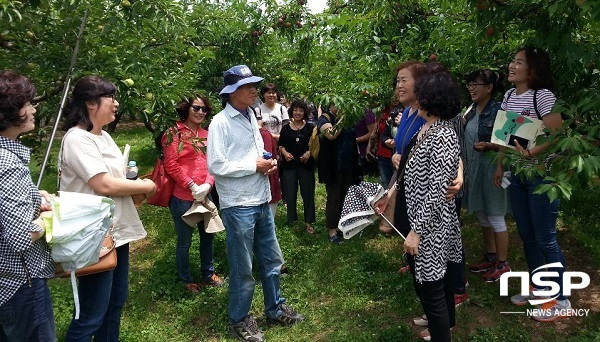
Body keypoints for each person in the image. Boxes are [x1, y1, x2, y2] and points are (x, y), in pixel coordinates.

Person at [207, 65, 304, 342]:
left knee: (272, 259)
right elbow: (216, 164)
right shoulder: (220, 123)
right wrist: (253, 165)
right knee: (243, 266)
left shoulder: (250, 115)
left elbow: (249, 152)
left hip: (261, 199)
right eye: (247, 86)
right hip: (238, 205)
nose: (254, 90)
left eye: (254, 85)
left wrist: (266, 160)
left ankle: (274, 307)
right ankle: (239, 318)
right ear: (231, 92)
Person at [60, 75, 156, 341]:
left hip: (116, 233)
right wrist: (146, 187)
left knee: (114, 304)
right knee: (92, 313)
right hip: (94, 237)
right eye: (110, 97)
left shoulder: (102, 136)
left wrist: (133, 189)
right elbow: (103, 184)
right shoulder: (77, 139)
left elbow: (118, 179)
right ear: (91, 103)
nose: (116, 104)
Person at [495, 47, 568, 321]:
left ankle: (561, 299)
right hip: (517, 176)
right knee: (527, 236)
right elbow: (504, 134)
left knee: (546, 238)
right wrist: (500, 165)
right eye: (512, 60)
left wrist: (531, 154)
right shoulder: (509, 96)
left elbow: (556, 134)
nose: (512, 65)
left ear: (533, 70)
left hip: (540, 176)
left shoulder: (543, 96)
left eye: (519, 62)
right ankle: (539, 288)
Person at [403, 72, 462, 342]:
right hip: (424, 220)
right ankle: (447, 322)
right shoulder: (426, 127)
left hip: (431, 225)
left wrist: (417, 231)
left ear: (431, 97)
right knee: (436, 282)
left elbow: (437, 189)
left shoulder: (442, 135)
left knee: (431, 287)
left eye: (421, 91)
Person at [0, 70, 56, 341]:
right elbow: (21, 236)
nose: (33, 109)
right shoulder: (8, 165)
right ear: (10, 112)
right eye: (27, 103)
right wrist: (52, 215)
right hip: (20, 285)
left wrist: (34, 195)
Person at [162, 95, 223, 293]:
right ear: (186, 108)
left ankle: (208, 274)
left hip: (205, 194)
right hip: (182, 196)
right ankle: (186, 278)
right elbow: (170, 163)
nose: (200, 112)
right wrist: (190, 184)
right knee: (184, 240)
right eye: (196, 108)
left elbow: (214, 162)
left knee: (208, 236)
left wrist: (207, 184)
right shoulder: (174, 133)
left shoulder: (208, 134)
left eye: (204, 109)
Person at [462, 70, 511, 282]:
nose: (471, 88)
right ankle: (490, 257)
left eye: (476, 84)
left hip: (492, 167)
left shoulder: (501, 109)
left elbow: (506, 141)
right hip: (474, 167)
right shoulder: (471, 110)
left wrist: (498, 162)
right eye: (469, 84)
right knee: (482, 214)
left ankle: (503, 264)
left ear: (489, 87)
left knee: (495, 215)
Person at [317, 103, 361, 244]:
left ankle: (343, 226)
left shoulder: (348, 119)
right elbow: (331, 134)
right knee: (334, 198)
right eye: (338, 104)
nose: (342, 107)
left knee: (346, 197)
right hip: (333, 167)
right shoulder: (324, 118)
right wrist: (342, 119)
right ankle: (332, 230)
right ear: (331, 104)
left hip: (348, 165)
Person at [279, 99, 316, 233]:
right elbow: (281, 145)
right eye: (295, 110)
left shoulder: (311, 128)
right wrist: (285, 153)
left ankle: (309, 221)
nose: (298, 113)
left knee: (308, 194)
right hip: (289, 166)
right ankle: (292, 220)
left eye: (300, 110)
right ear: (291, 111)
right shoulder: (285, 128)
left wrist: (308, 153)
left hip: (306, 166)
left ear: (305, 112)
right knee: (290, 193)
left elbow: (315, 145)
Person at [354, 108, 377, 177]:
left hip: (364, 151)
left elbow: (372, 132)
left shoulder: (367, 113)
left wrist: (356, 140)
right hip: (353, 151)